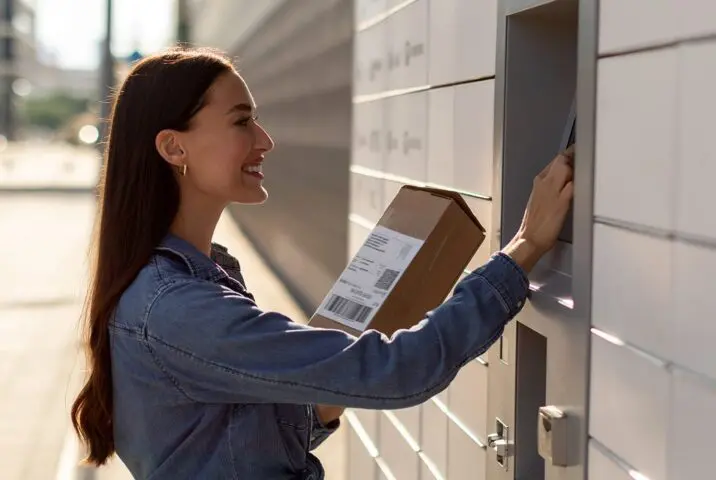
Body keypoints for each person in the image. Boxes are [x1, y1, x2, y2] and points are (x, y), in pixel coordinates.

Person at [70, 47, 574, 480]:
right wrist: (525, 248)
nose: (265, 140)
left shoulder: (196, 278)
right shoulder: (178, 308)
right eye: (242, 121)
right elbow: (403, 372)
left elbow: (239, 443)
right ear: (173, 146)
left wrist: (328, 386)